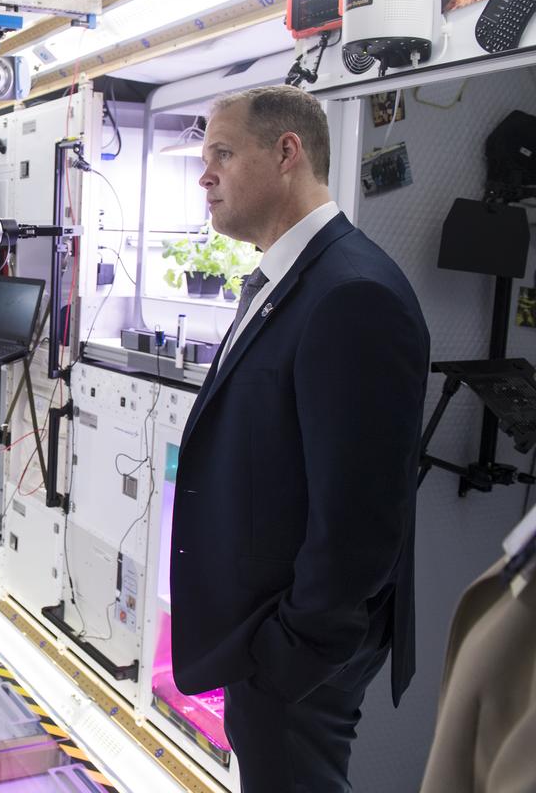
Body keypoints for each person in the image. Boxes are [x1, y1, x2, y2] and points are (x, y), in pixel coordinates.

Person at [170, 85, 429, 792]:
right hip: (268, 638)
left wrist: (289, 654)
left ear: (286, 153)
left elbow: (359, 524)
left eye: (221, 153)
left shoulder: (351, 295)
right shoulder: (287, 280)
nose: (205, 174)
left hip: (298, 656)